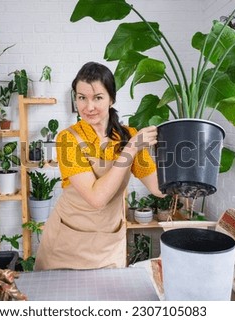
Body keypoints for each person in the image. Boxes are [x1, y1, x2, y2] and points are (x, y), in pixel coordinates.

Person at [34, 61, 164, 271]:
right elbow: (97, 198)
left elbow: (158, 189)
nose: (89, 107)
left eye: (98, 97)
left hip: (108, 246)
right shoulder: (68, 139)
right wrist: (130, 151)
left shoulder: (128, 136)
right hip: (67, 245)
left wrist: (188, 172)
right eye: (81, 97)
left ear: (111, 99)